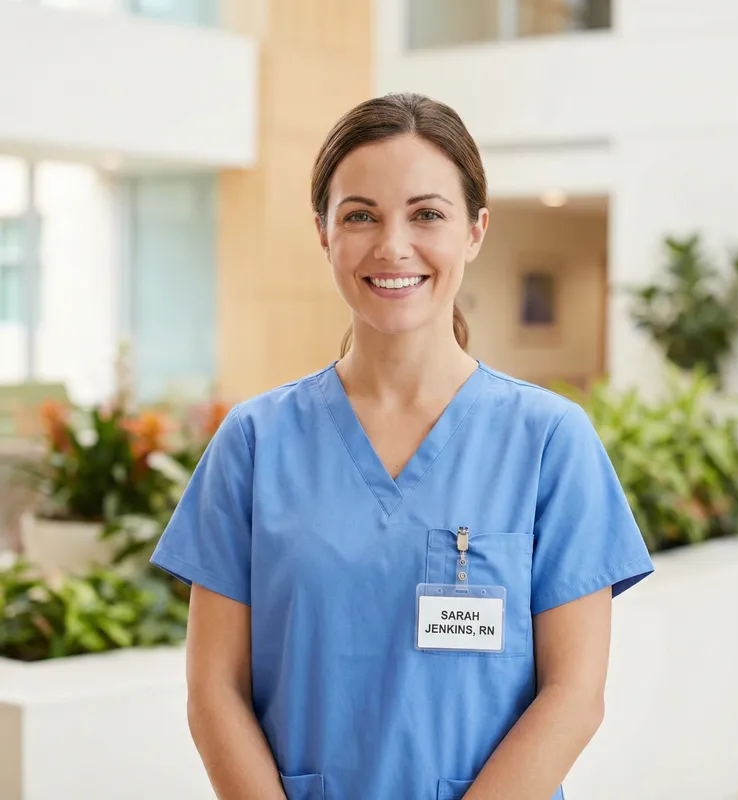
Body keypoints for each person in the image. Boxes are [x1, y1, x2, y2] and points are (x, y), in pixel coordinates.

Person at [151, 92, 654, 800]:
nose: (392, 246)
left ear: (475, 230)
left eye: (427, 214)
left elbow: (573, 695)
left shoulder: (548, 442)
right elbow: (213, 693)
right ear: (323, 233)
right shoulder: (254, 443)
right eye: (360, 215)